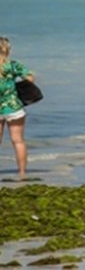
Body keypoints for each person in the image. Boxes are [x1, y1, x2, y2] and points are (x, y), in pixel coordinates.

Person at [0, 37, 34, 177]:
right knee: (18, 140)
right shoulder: (13, 65)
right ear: (8, 50)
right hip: (14, 106)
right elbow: (30, 78)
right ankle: (22, 172)